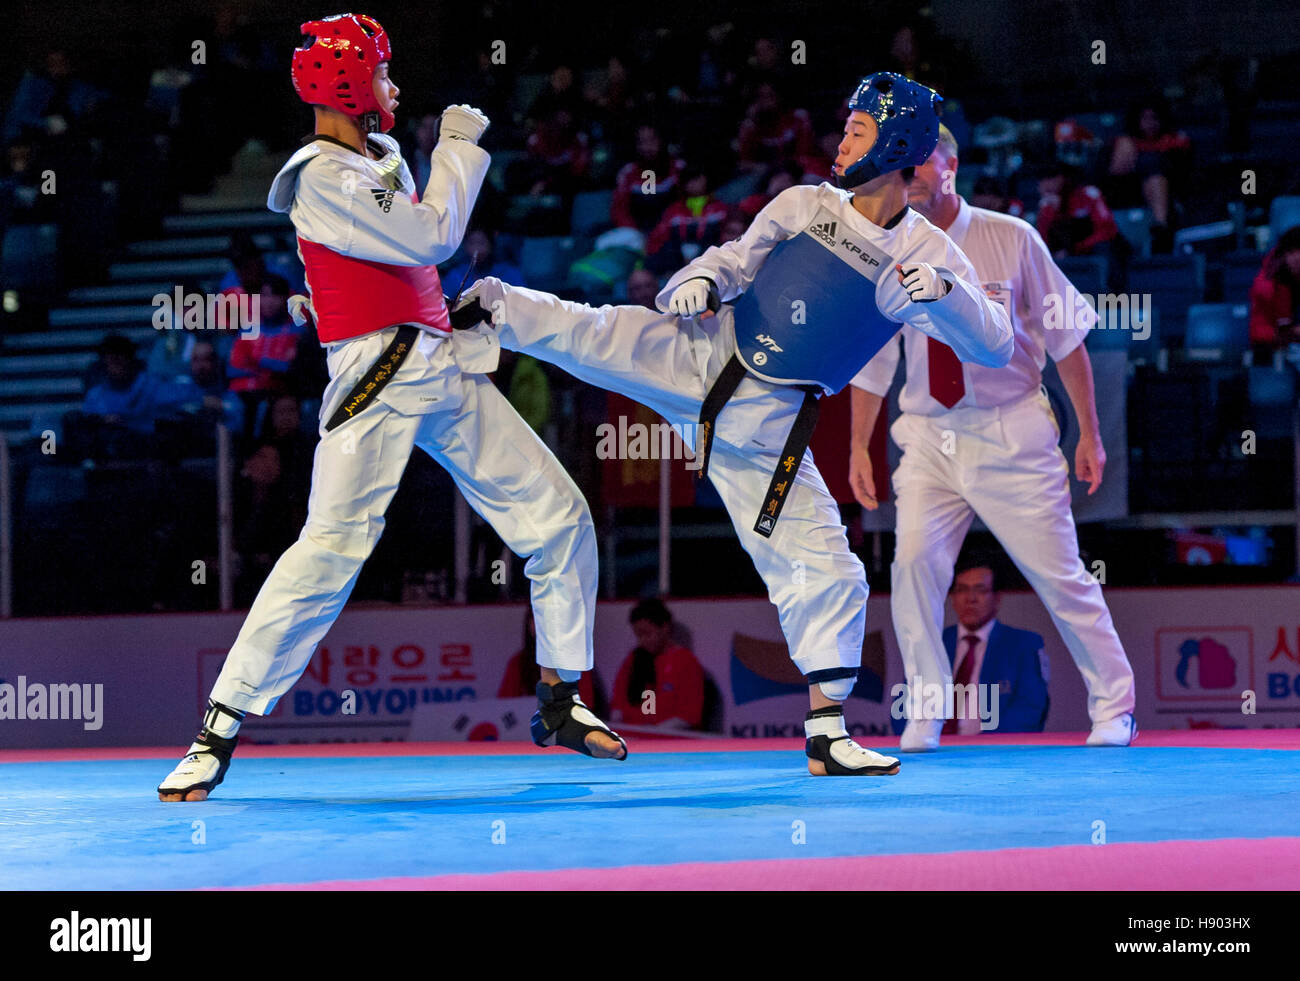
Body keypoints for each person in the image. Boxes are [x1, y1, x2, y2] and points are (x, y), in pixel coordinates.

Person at [453, 72, 1013, 776]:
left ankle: (827, 734)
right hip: (703, 356)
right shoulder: (805, 202)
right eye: (846, 129)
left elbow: (997, 342)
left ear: (896, 146)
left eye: (858, 133)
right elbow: (736, 259)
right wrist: (704, 279)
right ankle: (479, 311)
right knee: (596, 332)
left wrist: (950, 295)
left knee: (829, 566)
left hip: (767, 431)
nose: (841, 143)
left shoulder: (930, 254)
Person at [159, 13, 623, 803]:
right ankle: (218, 728)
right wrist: (459, 143)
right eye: (380, 73)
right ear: (346, 86)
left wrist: (439, 312)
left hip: (438, 367)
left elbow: (403, 270)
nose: (393, 86)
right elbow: (431, 235)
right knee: (330, 551)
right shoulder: (319, 176)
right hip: (374, 383)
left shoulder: (377, 156)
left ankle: (559, 694)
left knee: (560, 515)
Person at [849, 123, 1137, 751]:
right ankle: (925, 708)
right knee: (914, 568)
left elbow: (1067, 341)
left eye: (919, 163)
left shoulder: (1012, 238)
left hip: (1012, 430)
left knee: (1060, 574)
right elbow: (871, 364)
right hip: (927, 434)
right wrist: (858, 448)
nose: (908, 175)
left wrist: (1089, 433)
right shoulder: (890, 247)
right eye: (900, 166)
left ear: (951, 165)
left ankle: (1115, 704)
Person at [941, 557, 1049, 734]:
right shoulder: (935, 642)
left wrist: (985, 749)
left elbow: (1030, 708)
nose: (971, 599)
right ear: (951, 597)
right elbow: (906, 703)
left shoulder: (1023, 644)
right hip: (935, 752)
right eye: (962, 590)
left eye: (980, 590)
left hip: (995, 753)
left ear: (997, 598)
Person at [610, 599, 706, 730]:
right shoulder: (633, 659)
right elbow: (617, 703)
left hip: (667, 739)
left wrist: (655, 732)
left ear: (665, 628)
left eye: (647, 633)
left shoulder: (685, 661)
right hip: (630, 736)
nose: (642, 640)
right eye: (638, 635)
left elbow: (690, 715)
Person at [1248, 225, 1300, 361]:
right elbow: (1258, 331)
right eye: (1291, 252)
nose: (1297, 258)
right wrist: (1289, 333)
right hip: (1277, 351)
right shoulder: (1268, 285)